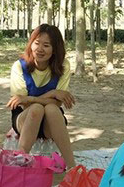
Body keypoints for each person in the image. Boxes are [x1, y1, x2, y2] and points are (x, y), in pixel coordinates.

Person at [5, 24, 76, 168]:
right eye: (36, 43)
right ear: (31, 44)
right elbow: (23, 104)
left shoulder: (63, 66)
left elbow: (57, 103)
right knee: (36, 109)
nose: (40, 49)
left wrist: (30, 98)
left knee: (51, 109)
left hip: (51, 121)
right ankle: (20, 160)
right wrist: (52, 94)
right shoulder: (19, 67)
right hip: (24, 118)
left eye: (46, 45)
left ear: (55, 49)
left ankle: (72, 167)